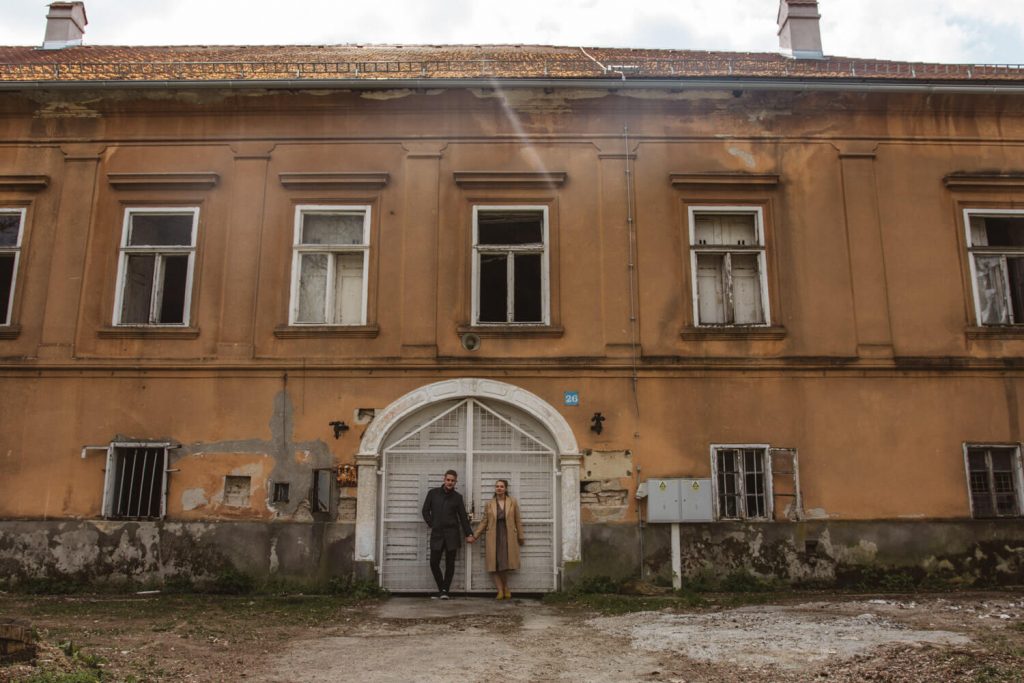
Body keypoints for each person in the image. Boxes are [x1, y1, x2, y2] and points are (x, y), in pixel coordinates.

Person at [421, 469, 474, 599]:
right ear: (444, 479)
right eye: (448, 480)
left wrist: (469, 533)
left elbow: (462, 517)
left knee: (450, 564)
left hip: (452, 535)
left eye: (452, 481)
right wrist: (431, 523)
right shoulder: (433, 493)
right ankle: (442, 589)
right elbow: (425, 510)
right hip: (437, 534)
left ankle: (444, 590)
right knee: (434, 562)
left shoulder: (457, 497)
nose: (450, 482)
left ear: (456, 482)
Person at [471, 479, 525, 600]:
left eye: (501, 486)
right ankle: (500, 590)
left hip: (508, 536)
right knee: (493, 564)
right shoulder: (489, 504)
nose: (499, 488)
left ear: (505, 488)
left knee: (504, 564)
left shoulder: (513, 502)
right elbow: (484, 521)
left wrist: (521, 536)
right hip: (493, 536)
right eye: (497, 486)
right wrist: (475, 535)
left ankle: (505, 586)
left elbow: (518, 520)